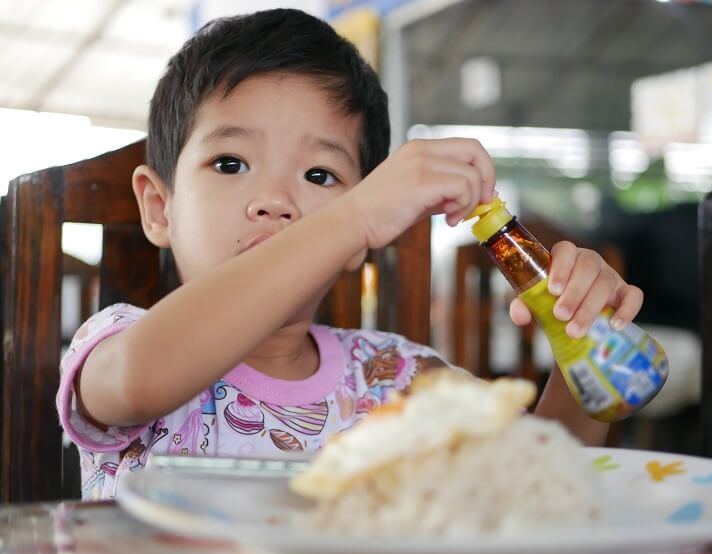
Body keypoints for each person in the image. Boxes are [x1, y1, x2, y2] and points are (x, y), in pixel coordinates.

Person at [57, 8, 643, 500]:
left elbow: (536, 485)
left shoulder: (400, 378)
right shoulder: (120, 344)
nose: (275, 201)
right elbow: (139, 380)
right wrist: (351, 215)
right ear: (159, 208)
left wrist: (582, 356)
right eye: (230, 163)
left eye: (319, 173)